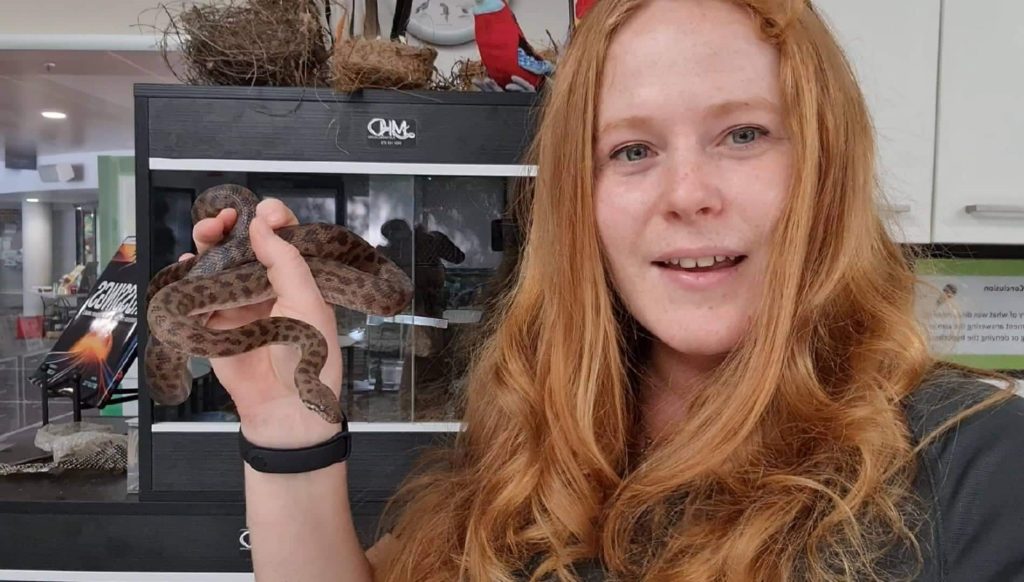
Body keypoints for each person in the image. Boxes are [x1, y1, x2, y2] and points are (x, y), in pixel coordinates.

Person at [181, 0, 1024, 580]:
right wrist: (287, 423)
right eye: (632, 150)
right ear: (578, 202)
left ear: (824, 170)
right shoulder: (533, 432)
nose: (687, 194)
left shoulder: (974, 463)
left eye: (743, 133)